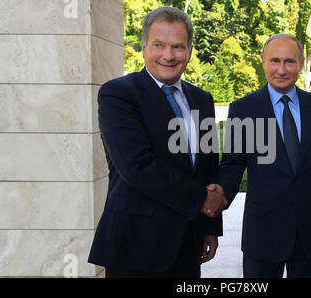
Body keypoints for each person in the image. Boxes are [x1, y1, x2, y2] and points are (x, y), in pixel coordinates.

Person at [88, 6, 227, 278]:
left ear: (188, 51)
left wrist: (210, 227)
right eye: (159, 45)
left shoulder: (202, 100)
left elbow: (208, 166)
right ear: (143, 47)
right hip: (136, 246)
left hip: (188, 244)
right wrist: (202, 199)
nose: (169, 55)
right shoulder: (118, 94)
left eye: (178, 46)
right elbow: (136, 166)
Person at [207, 34, 311, 278]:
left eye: (289, 62)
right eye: (274, 61)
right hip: (262, 232)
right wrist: (219, 197)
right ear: (263, 61)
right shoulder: (243, 109)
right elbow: (233, 165)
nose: (281, 70)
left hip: (309, 232)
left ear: (301, 64)